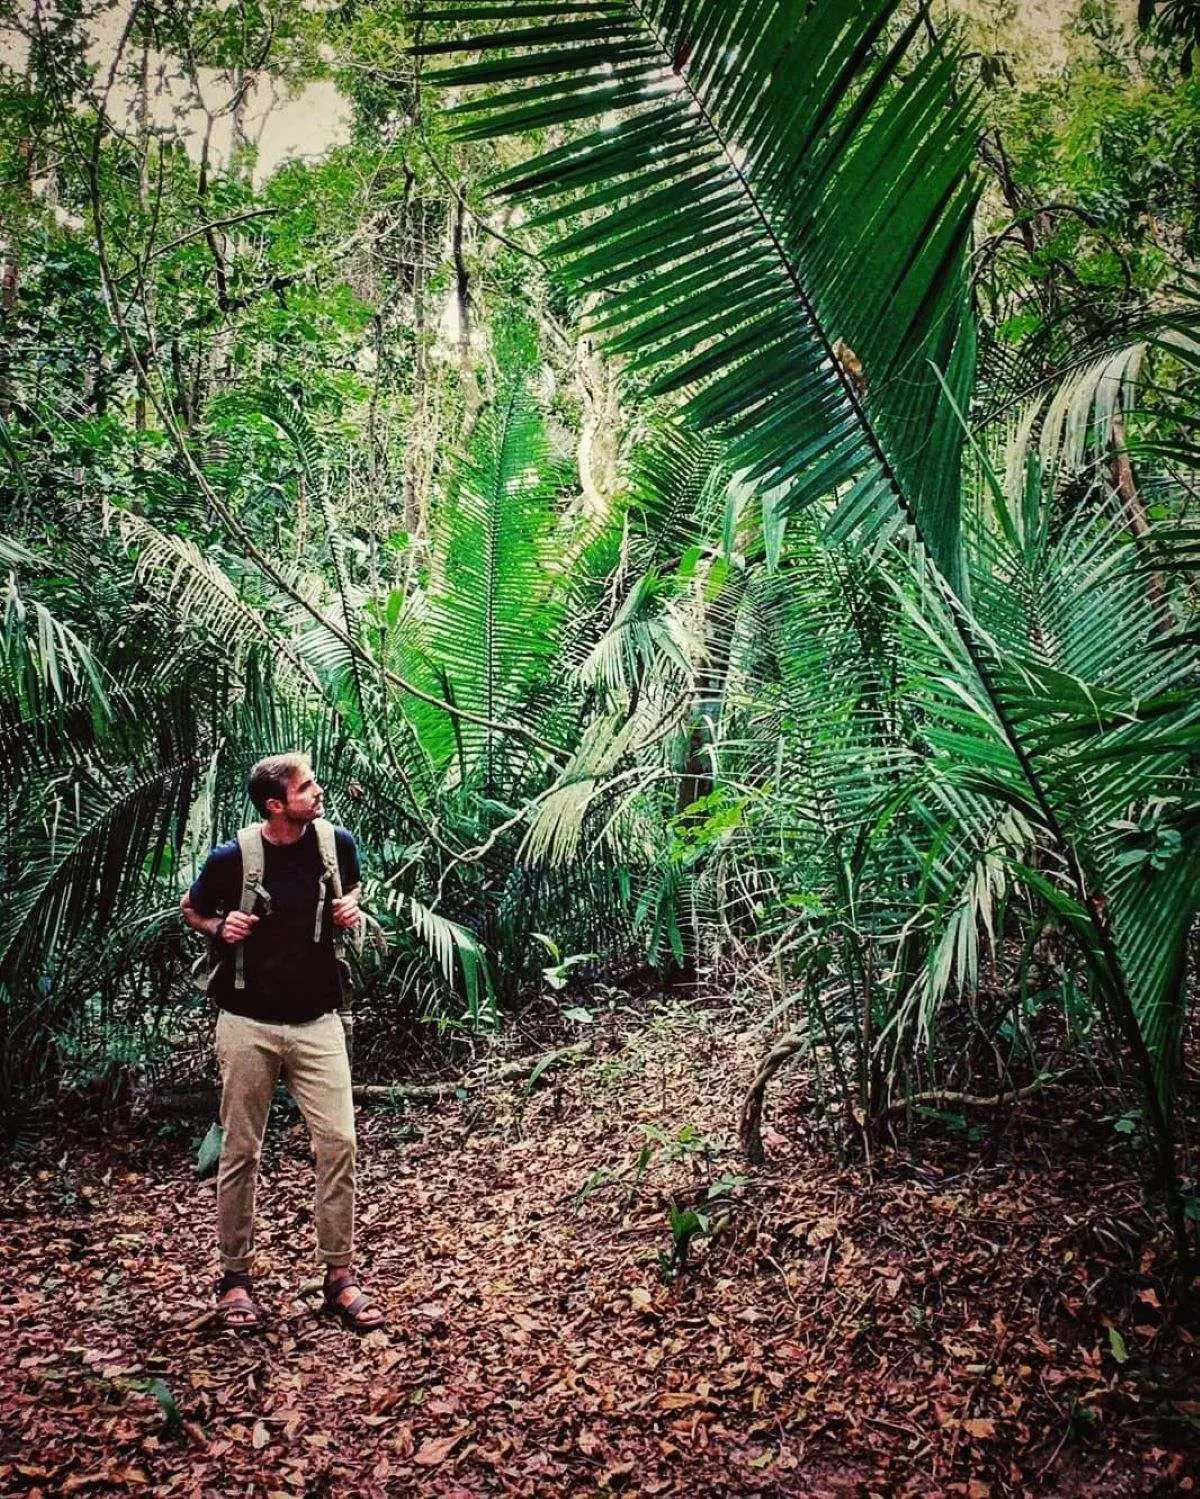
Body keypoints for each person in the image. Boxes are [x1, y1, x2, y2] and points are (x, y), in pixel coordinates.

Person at [180, 752, 385, 1333]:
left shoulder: (334, 844)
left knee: (339, 1141)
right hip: (248, 1022)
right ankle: (235, 1279)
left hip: (319, 1022)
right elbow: (191, 909)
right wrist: (219, 927)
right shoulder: (234, 858)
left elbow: (354, 888)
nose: (317, 792)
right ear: (276, 804)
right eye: (306, 787)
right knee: (242, 1150)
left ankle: (339, 1277)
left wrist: (351, 907)